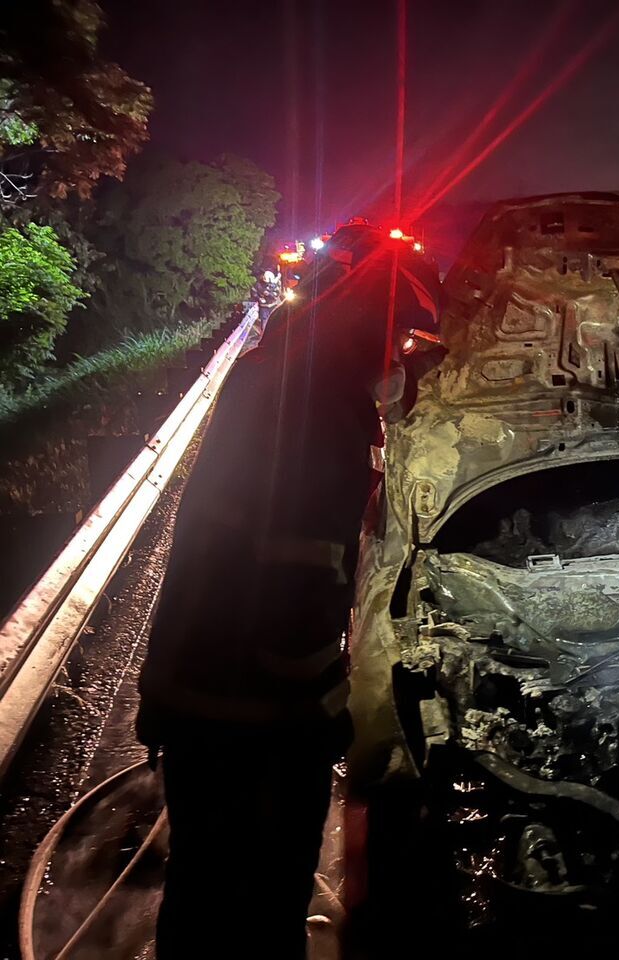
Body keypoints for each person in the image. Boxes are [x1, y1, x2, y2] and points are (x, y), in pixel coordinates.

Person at [137, 228, 441, 959]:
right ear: (364, 318)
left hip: (193, 683)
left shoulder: (273, 373)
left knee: (200, 891)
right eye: (397, 333)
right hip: (254, 717)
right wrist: (335, 718)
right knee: (262, 900)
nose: (398, 354)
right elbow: (298, 588)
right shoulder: (321, 411)